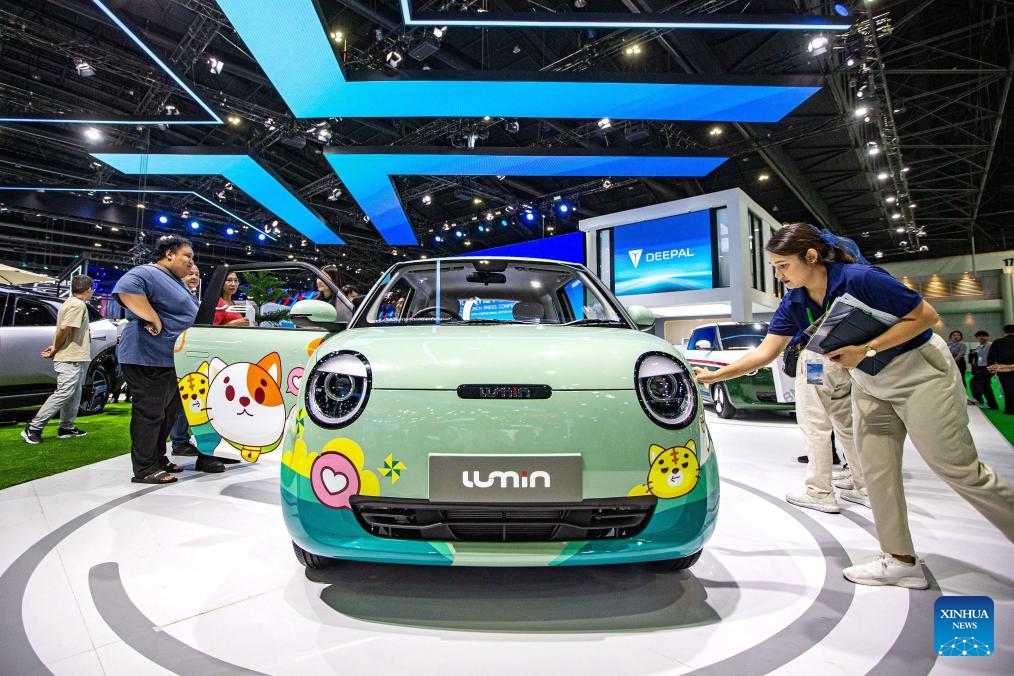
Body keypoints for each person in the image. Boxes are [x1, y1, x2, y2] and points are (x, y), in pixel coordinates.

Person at [699, 222, 1014, 589]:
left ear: (811, 257)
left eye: (783, 265)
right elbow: (767, 352)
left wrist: (866, 349)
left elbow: (926, 317)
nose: (778, 274)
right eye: (775, 267)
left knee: (957, 467)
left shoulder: (861, 278)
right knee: (876, 472)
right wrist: (710, 377)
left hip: (920, 373)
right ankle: (900, 559)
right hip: (870, 382)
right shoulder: (794, 302)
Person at [113, 235, 223, 484]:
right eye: (187, 256)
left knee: (167, 414)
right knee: (149, 413)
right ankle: (144, 468)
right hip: (147, 357)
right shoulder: (148, 272)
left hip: (169, 360)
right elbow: (125, 288)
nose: (190, 262)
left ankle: (158, 457)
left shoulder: (175, 281)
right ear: (170, 253)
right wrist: (153, 318)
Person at [21, 275, 95, 444]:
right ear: (89, 289)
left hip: (73, 356)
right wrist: (55, 347)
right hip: (70, 357)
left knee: (74, 393)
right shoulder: (77, 305)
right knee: (64, 392)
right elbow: (64, 328)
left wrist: (55, 346)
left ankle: (66, 427)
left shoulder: (69, 303)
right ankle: (33, 427)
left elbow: (64, 329)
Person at [987, 324, 1014, 414]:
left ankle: (1010, 408)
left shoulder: (997, 342)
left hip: (1002, 368)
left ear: (1005, 332)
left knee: (1007, 389)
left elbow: (991, 356)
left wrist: (991, 368)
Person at [969, 330, 998, 409]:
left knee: (974, 381)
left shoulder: (991, 345)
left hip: (989, 367)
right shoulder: (978, 347)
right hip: (980, 367)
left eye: (984, 336)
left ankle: (978, 399)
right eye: (979, 336)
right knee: (986, 387)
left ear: (987, 337)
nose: (982, 337)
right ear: (977, 338)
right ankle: (993, 405)